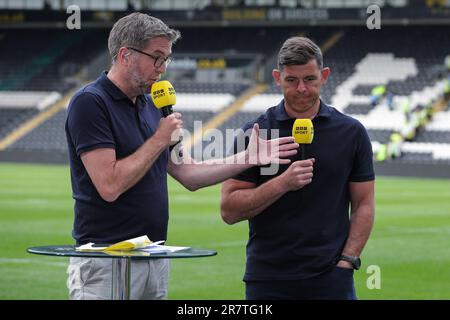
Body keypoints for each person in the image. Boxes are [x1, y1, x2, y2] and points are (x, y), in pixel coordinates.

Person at [64, 12, 298, 300]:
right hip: (106, 260)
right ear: (125, 55)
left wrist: (248, 158)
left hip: (155, 256)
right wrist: (159, 138)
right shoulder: (90, 102)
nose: (162, 69)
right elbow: (109, 185)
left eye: (167, 59)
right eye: (157, 58)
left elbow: (188, 174)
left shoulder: (152, 105)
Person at [220, 36, 375, 300]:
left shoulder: (351, 132)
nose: (301, 88)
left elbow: (364, 203)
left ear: (324, 75)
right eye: (291, 80)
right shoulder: (255, 132)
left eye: (310, 79)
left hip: (332, 278)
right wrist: (282, 183)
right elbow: (229, 210)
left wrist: (348, 261)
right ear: (277, 78)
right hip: (268, 279)